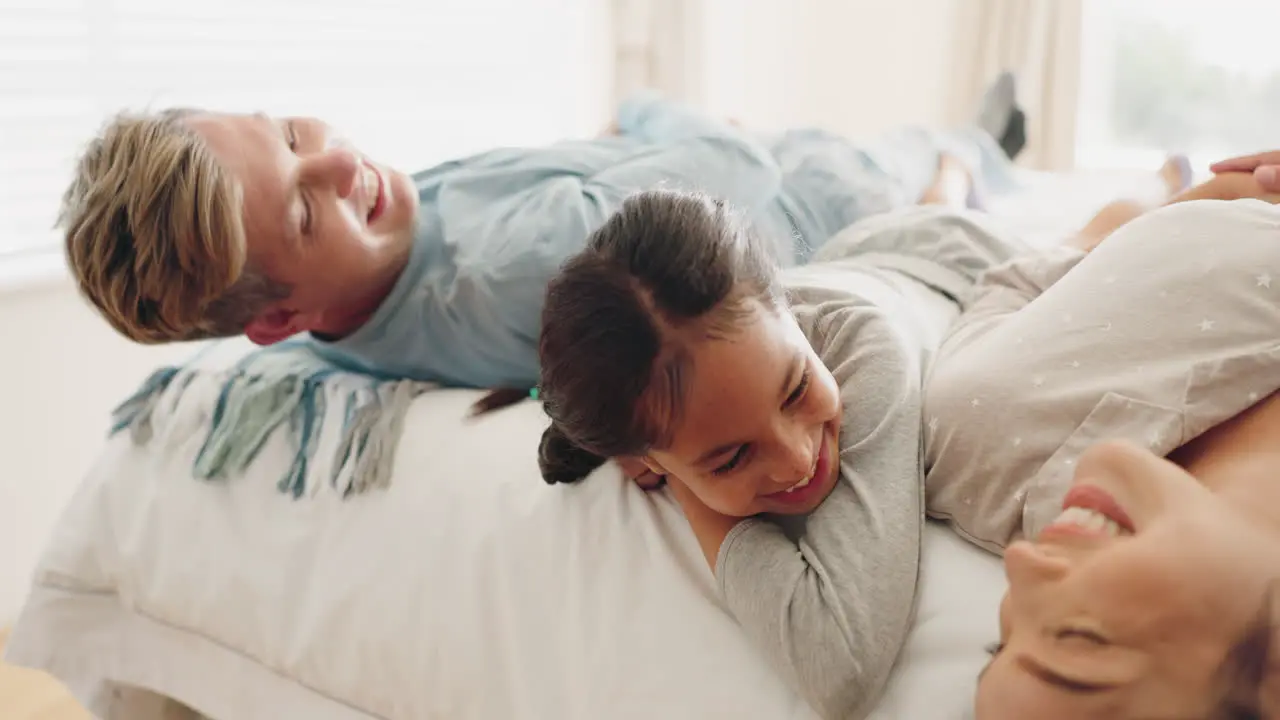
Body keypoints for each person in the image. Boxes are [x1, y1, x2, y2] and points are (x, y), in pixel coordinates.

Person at [57, 77, 1025, 390]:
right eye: (309, 211)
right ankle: (975, 156)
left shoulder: (350, 311)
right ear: (276, 318)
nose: (344, 164)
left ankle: (977, 144)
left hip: (747, 182)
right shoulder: (522, 263)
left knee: (915, 140)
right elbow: (740, 167)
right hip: (811, 201)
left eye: (294, 136)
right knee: (923, 163)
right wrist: (641, 114)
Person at [921, 165, 1280, 716]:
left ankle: (959, 168)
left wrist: (1196, 203)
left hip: (1094, 262)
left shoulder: (993, 443)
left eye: (1001, 643)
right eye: (1079, 640)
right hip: (1177, 240)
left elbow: (1012, 283)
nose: (1020, 566)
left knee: (1093, 224)